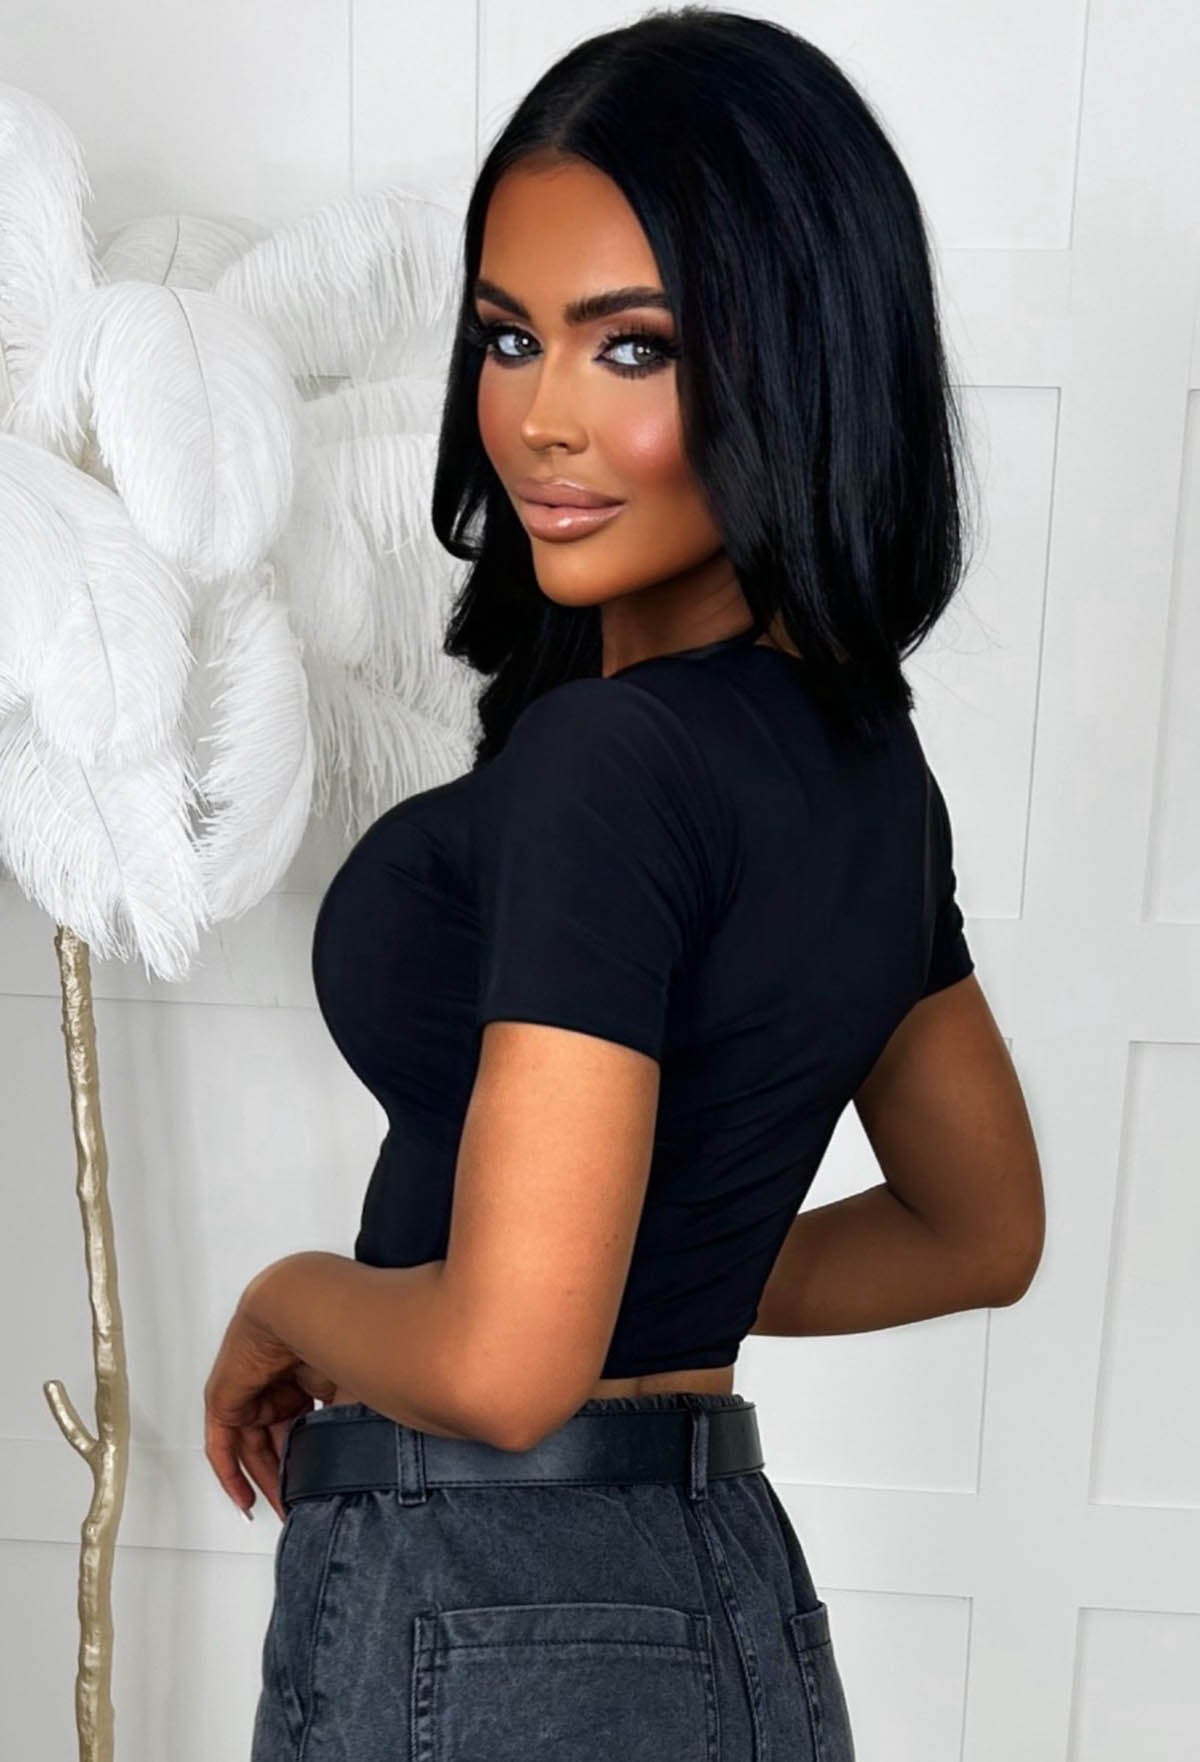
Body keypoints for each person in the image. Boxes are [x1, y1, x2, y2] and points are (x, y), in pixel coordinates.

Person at [204, 10, 1044, 1758]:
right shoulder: (871, 774)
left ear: (800, 362)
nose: (540, 420)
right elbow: (981, 1228)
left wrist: (288, 1292)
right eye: (511, 338)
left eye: (633, 348)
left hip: (488, 1595)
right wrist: (661, 1266)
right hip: (723, 1587)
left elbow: (508, 1369)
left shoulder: (617, 765)